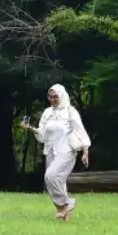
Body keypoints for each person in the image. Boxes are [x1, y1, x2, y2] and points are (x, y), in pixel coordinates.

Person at [20, 84, 91, 221]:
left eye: (55, 97)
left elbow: (80, 131)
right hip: (51, 150)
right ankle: (65, 215)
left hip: (67, 150)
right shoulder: (47, 112)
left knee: (51, 176)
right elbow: (42, 133)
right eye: (50, 97)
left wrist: (85, 150)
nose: (52, 99)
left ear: (62, 96)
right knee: (58, 181)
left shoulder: (70, 112)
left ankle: (67, 203)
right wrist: (30, 128)